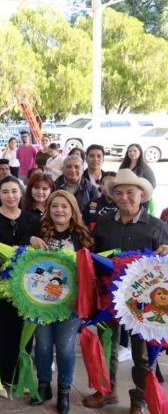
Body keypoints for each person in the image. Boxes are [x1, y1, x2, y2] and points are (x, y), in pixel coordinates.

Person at [83, 169, 168, 414]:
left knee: (142, 354)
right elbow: (94, 257)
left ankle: (139, 399)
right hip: (109, 297)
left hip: (143, 303)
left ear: (142, 195)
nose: (124, 197)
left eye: (130, 192)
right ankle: (106, 390)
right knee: (106, 345)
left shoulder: (157, 226)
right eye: (119, 193)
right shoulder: (103, 224)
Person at [28, 190, 93, 414]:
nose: (59, 210)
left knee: (65, 348)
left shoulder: (82, 236)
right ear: (48, 209)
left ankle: (64, 389)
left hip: (70, 304)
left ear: (72, 209)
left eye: (64, 206)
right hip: (41, 302)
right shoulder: (39, 230)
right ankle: (43, 385)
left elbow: (91, 270)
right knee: (43, 345)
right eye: (55, 206)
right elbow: (19, 249)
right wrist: (30, 240)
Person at [0, 176, 36, 387]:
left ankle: (17, 375)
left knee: (21, 330)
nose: (10, 196)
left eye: (14, 191)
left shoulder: (31, 219)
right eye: (5, 192)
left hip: (25, 286)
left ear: (21, 193)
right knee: (0, 329)